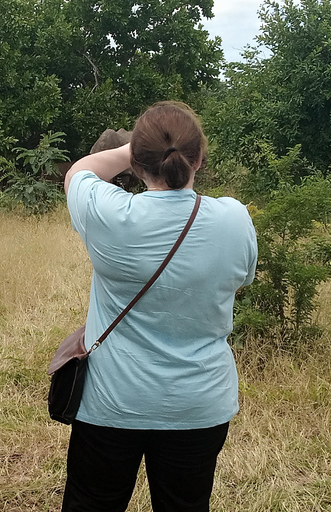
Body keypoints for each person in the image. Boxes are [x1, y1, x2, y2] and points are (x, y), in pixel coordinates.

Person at [61, 101, 257, 512]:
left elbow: (78, 172)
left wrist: (125, 150)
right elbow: (241, 280)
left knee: (92, 503)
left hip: (110, 402)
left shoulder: (111, 214)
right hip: (198, 404)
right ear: (199, 159)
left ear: (136, 161)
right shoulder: (233, 219)